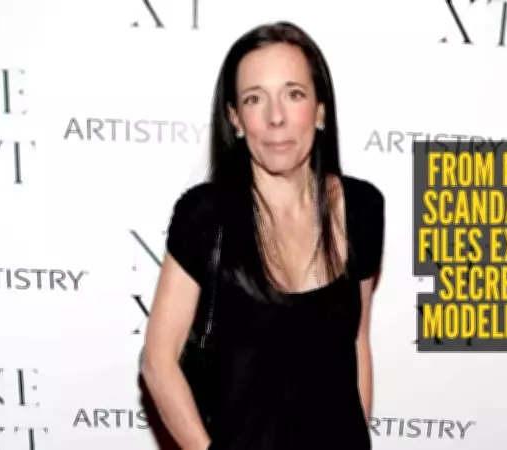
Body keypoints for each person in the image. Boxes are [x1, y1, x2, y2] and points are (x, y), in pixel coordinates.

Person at [141, 21, 385, 450]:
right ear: (236, 120)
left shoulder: (363, 208)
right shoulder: (205, 217)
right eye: (255, 99)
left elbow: (357, 342)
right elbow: (158, 361)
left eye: (294, 94)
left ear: (321, 110)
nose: (276, 117)